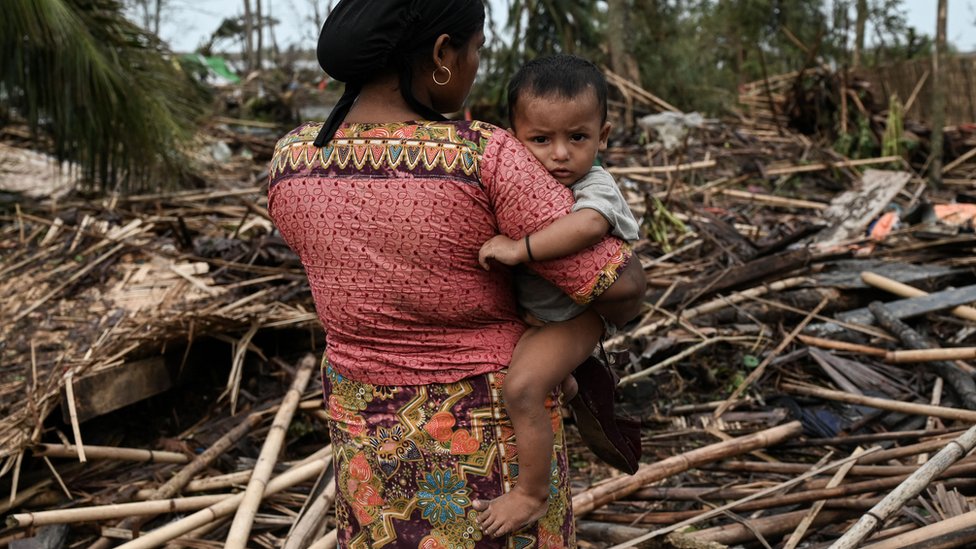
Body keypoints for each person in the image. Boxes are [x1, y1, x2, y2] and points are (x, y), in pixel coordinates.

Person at [267, 1, 646, 546]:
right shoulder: (481, 157)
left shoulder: (291, 160)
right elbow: (620, 288)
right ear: (443, 53)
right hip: (488, 452)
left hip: (367, 448)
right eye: (475, 50)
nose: (474, 66)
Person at [474, 54, 642, 537]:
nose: (561, 154)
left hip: (578, 316)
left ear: (603, 137)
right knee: (537, 376)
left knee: (522, 388)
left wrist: (518, 248)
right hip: (542, 315)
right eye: (541, 139)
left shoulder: (596, 185)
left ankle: (531, 493)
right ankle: (570, 380)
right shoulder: (516, 181)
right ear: (512, 138)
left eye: (578, 137)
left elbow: (588, 226)